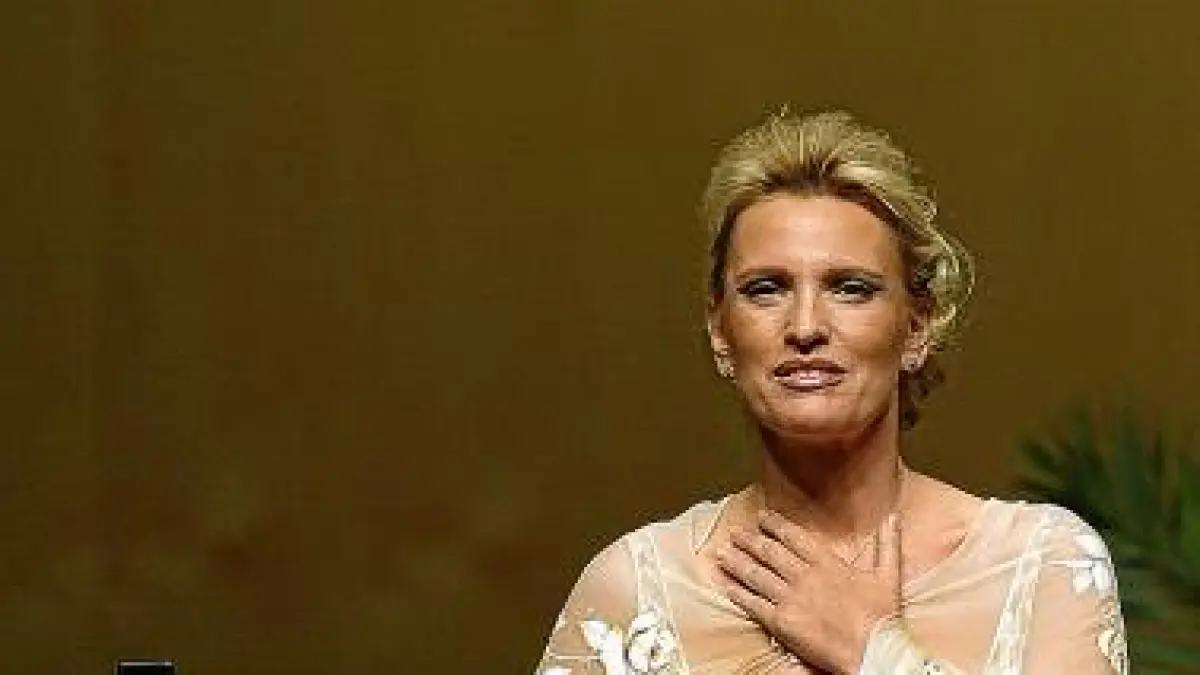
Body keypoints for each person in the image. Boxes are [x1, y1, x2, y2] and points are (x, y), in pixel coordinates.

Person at [534, 110, 1128, 674]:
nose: (805, 327)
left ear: (916, 326)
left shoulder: (1041, 564)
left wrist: (872, 649)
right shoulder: (638, 589)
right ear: (719, 330)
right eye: (766, 288)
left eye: (850, 288)